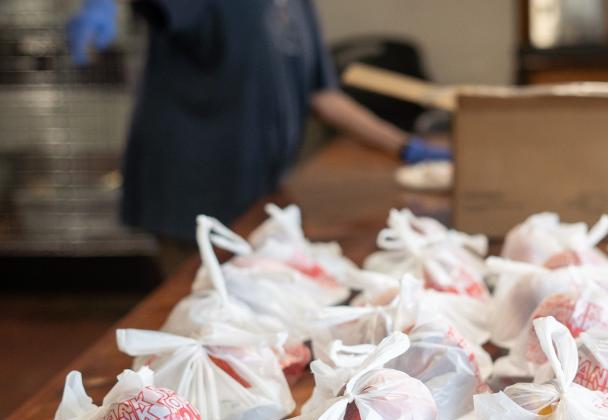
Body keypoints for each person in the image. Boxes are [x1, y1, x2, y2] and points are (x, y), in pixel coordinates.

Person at [67, 0, 449, 250]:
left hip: (258, 190)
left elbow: (322, 96)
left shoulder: (295, 6)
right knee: (196, 315)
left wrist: (405, 147)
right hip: (192, 192)